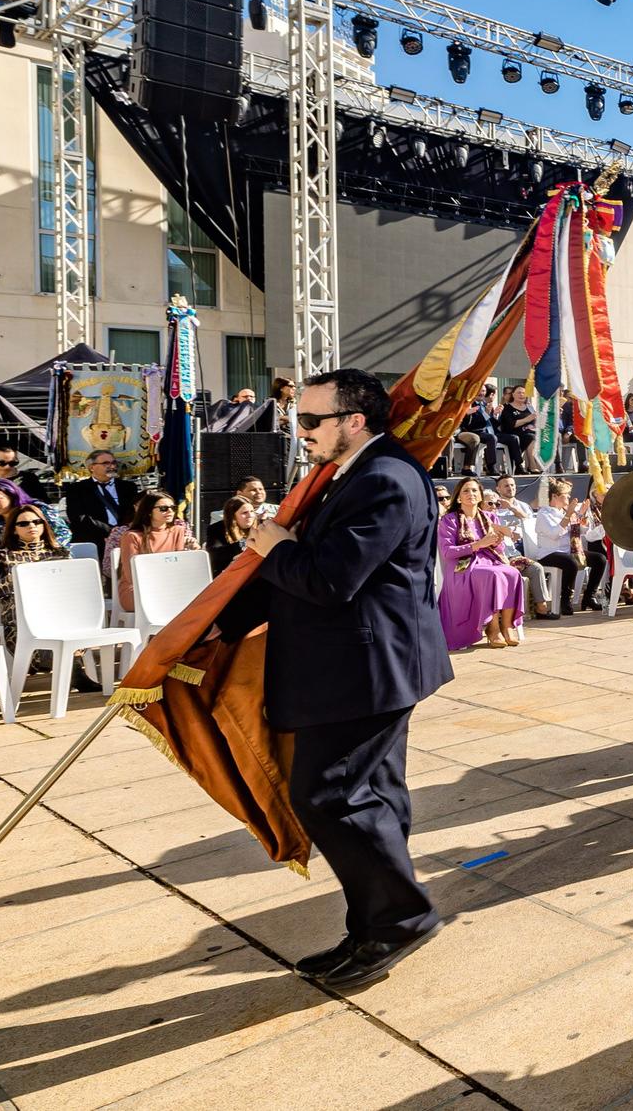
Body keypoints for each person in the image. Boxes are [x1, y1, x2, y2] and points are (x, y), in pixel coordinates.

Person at [214, 367, 450, 988]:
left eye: (312, 420)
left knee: (330, 796)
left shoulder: (386, 480)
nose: (301, 430)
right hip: (357, 665)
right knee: (373, 798)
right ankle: (371, 926)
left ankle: (401, 918)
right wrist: (217, 626)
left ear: (354, 421)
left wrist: (271, 546)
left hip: (365, 670)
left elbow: (328, 578)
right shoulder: (348, 473)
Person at [0, 502, 101, 690]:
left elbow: (73, 587)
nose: (32, 526)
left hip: (61, 613)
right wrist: (21, 575)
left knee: (69, 614)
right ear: (13, 529)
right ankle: (74, 673)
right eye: (24, 524)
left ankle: (74, 671)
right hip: (21, 618)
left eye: (37, 522)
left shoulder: (60, 553)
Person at [437, 478, 525, 649]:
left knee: (512, 573)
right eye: (466, 491)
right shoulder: (449, 520)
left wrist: (497, 540)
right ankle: (493, 629)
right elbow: (447, 551)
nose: (471, 494)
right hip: (463, 566)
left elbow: (498, 548)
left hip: (490, 560)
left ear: (480, 496)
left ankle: (507, 626)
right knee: (492, 575)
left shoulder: (490, 517)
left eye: (475, 491)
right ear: (458, 497)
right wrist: (478, 544)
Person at [115, 490, 198, 616]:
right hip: (137, 590)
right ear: (148, 511)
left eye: (173, 508)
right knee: (180, 600)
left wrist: (195, 551)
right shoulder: (132, 536)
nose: (170, 511)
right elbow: (131, 575)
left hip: (169, 588)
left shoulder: (177, 531)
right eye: (163, 508)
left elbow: (178, 568)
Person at [522, 479, 585, 618]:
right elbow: (554, 534)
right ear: (555, 496)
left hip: (567, 551)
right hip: (548, 554)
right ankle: (565, 600)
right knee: (571, 563)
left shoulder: (562, 512)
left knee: (599, 559)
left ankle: (589, 598)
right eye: (566, 494)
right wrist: (568, 515)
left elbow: (580, 531)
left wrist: (581, 516)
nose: (568, 497)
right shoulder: (544, 514)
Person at [63, 449, 132, 549]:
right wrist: (111, 531)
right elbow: (79, 517)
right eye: (106, 463)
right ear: (91, 467)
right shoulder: (76, 489)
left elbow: (134, 512)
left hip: (125, 538)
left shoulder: (128, 487)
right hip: (93, 540)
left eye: (113, 463)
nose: (112, 466)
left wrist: (122, 531)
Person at [455, 385, 502, 476]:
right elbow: (469, 425)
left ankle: (491, 466)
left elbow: (492, 424)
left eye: (484, 391)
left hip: (484, 432)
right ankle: (490, 466)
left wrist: (494, 415)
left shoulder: (484, 404)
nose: (482, 393)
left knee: (495, 437)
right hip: (471, 431)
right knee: (490, 438)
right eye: (479, 391)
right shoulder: (468, 404)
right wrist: (467, 414)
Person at [498, 385, 543, 474]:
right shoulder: (507, 408)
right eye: (519, 393)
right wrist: (527, 419)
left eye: (524, 393)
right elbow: (510, 425)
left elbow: (534, 422)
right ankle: (531, 465)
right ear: (513, 395)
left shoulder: (529, 407)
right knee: (531, 437)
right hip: (512, 434)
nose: (521, 395)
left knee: (536, 435)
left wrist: (533, 425)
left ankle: (536, 465)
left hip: (528, 433)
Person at [207, 497, 257, 576]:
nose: (250, 515)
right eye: (244, 513)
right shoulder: (217, 529)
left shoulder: (259, 528)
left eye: (252, 511)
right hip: (230, 573)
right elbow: (214, 554)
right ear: (233, 515)